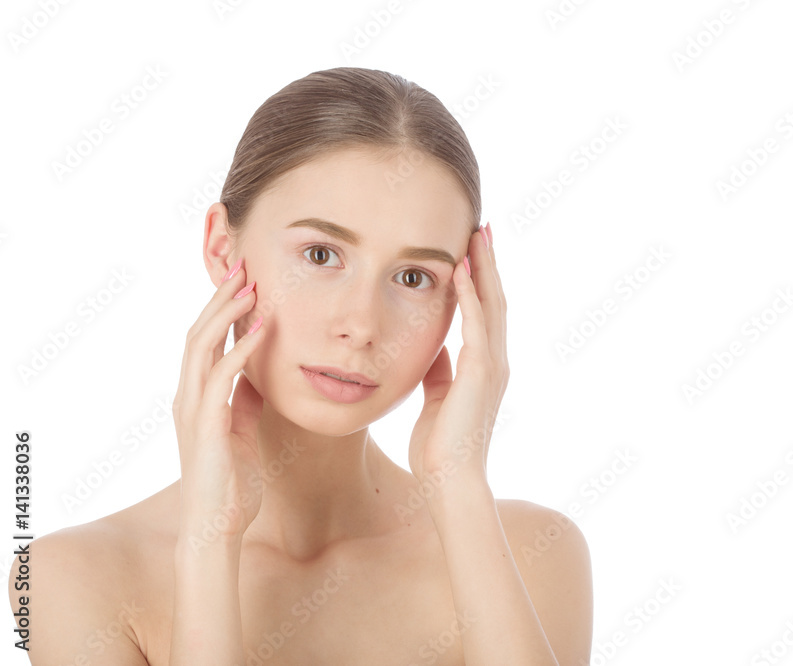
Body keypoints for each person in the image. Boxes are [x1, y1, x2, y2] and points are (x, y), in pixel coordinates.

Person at [9, 66, 593, 664]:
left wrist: (460, 488)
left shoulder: (532, 555)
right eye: (320, 254)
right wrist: (210, 541)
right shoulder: (66, 577)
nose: (362, 325)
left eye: (414, 277)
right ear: (221, 247)